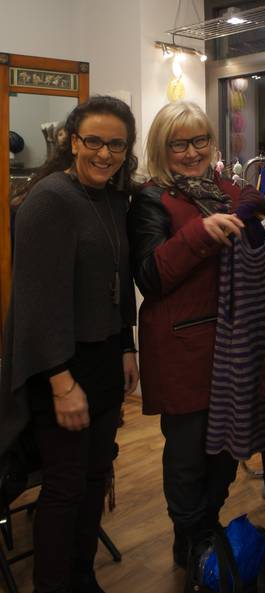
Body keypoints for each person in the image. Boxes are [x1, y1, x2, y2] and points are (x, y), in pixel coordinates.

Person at [1, 95, 139, 593]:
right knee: (65, 486)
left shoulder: (111, 198)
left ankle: (82, 577)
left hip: (102, 359)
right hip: (58, 365)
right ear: (72, 141)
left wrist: (126, 347)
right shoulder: (49, 200)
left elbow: (118, 280)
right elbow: (38, 305)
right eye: (94, 141)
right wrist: (62, 383)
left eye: (116, 145)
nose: (105, 153)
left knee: (95, 476)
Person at [128, 100, 265, 568]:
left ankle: (206, 530)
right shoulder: (151, 199)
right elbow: (150, 276)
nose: (191, 152)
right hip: (181, 348)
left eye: (200, 140)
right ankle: (190, 540)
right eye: (179, 144)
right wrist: (201, 233)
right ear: (161, 148)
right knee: (187, 454)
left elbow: (254, 203)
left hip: (231, 345)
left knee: (225, 449)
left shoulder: (226, 189)